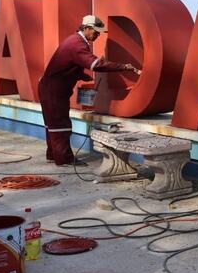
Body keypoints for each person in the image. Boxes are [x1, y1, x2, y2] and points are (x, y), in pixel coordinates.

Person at [38, 15, 140, 166]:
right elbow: (96, 65)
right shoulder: (77, 44)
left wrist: (80, 75)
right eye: (95, 31)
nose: (97, 35)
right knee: (60, 124)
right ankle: (64, 158)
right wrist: (124, 67)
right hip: (54, 91)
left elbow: (67, 64)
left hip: (50, 88)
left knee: (52, 124)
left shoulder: (75, 41)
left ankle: (53, 154)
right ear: (86, 28)